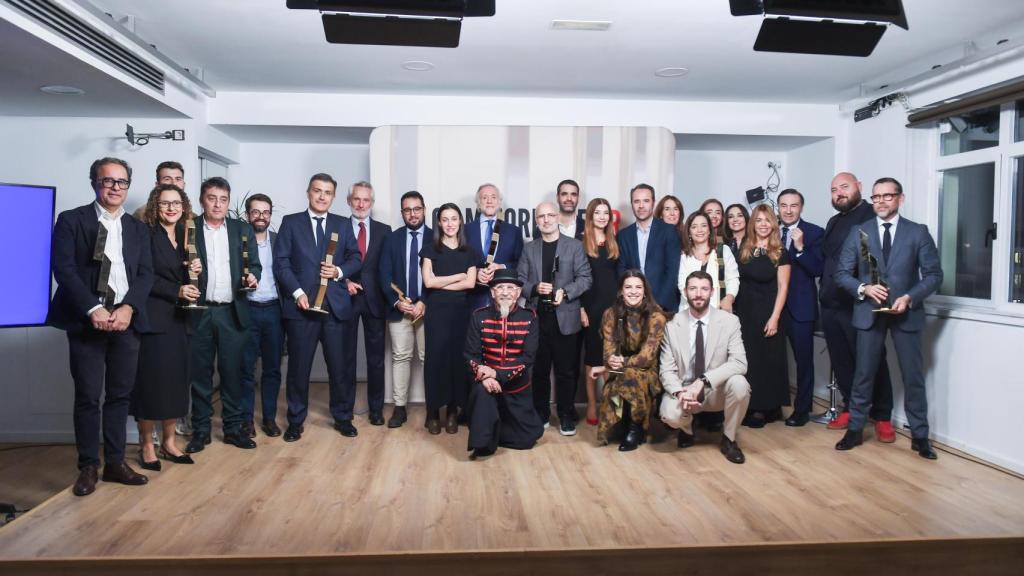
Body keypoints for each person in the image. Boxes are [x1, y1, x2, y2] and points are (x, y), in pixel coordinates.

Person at [49, 157, 154, 496]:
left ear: (128, 186)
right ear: (94, 182)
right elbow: (63, 269)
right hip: (86, 321)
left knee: (120, 396)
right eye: (107, 181)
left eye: (121, 182)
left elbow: (145, 274)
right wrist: (93, 307)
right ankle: (88, 467)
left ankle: (115, 463)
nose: (114, 187)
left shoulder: (138, 229)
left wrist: (128, 308)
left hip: (126, 322)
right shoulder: (71, 221)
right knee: (88, 397)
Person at [835, 177, 943, 459]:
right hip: (868, 311)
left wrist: (909, 297)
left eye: (887, 196)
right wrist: (864, 288)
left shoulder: (918, 232)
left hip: (905, 312)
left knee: (913, 377)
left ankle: (920, 437)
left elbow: (934, 275)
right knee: (863, 374)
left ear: (900, 199)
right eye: (876, 197)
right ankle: (855, 430)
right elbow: (841, 274)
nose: (881, 202)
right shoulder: (860, 231)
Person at [273, 173, 362, 442]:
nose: (322, 196)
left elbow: (356, 257)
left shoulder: (342, 224)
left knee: (340, 368)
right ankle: (295, 421)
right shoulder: (291, 223)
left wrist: (338, 271)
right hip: (302, 309)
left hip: (335, 307)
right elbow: (281, 263)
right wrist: (297, 292)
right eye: (317, 191)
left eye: (327, 192)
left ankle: (343, 417)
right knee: (299, 368)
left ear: (333, 197)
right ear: (308, 193)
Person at [185, 177, 262, 453]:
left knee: (232, 375)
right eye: (212, 198)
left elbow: (254, 265)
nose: (217, 204)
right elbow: (177, 267)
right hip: (200, 313)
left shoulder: (242, 229)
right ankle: (201, 432)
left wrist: (253, 276)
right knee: (200, 375)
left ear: (229, 202)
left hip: (233, 312)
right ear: (202, 199)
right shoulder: (189, 227)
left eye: (223, 199)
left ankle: (232, 430)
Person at [821, 172, 895, 440]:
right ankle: (851, 408)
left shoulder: (870, 217)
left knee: (872, 360)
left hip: (858, 303)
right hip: (831, 304)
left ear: (859, 188)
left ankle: (883, 415)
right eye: (834, 190)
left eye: (844, 187)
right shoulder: (833, 221)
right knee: (842, 361)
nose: (839, 193)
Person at [132, 184, 201, 470]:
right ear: (154, 207)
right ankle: (147, 445)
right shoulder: (145, 235)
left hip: (180, 321)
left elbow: (189, 278)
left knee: (175, 383)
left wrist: (195, 271)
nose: (171, 208)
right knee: (150, 385)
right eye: (164, 204)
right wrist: (177, 290)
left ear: (184, 206)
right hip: (154, 319)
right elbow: (142, 277)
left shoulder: (188, 235)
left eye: (176, 203)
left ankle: (170, 443)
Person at [518, 201, 593, 436]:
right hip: (538, 318)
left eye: (551, 215)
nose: (547, 220)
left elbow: (585, 278)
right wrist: (533, 288)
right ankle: (541, 413)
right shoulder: (530, 248)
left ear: (558, 217)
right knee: (539, 371)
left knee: (566, 371)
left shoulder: (574, 247)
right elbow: (519, 279)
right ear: (536, 220)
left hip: (566, 317)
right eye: (542, 216)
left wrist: (566, 292)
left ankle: (566, 415)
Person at [660, 271, 750, 464]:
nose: (698, 294)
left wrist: (703, 381)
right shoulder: (672, 324)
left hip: (714, 390)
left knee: (740, 384)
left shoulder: (729, 321)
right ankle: (687, 429)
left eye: (704, 289)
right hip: (685, 391)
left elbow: (740, 363)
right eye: (693, 289)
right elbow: (666, 370)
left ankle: (729, 438)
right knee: (669, 414)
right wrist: (679, 393)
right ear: (685, 292)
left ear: (712, 292)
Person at [463, 269, 543, 460]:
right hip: (487, 385)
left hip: (517, 388)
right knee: (482, 394)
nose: (505, 292)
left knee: (527, 440)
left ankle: (496, 432)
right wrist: (485, 376)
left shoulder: (530, 317)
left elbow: (528, 357)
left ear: (518, 292)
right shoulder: (478, 316)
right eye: (500, 288)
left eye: (510, 288)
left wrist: (495, 374)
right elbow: (470, 355)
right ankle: (483, 443)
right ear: (492, 293)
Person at [421, 203, 478, 434]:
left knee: (457, 361)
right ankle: (433, 412)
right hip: (436, 313)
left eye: (454, 219)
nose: (450, 224)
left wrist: (441, 281)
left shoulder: (470, 252)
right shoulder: (429, 250)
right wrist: (457, 276)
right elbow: (428, 283)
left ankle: (453, 411)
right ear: (439, 223)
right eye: (445, 219)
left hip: (461, 313)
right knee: (435, 360)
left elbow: (471, 283)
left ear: (460, 222)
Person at [379, 191, 432, 428]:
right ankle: (399, 408)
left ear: (424, 209)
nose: (412, 214)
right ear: (402, 213)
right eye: (407, 210)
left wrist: (425, 301)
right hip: (399, 308)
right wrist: (396, 301)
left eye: (416, 209)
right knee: (401, 357)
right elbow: (383, 274)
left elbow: (441, 275)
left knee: (428, 359)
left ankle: (433, 409)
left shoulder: (437, 237)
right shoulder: (392, 239)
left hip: (427, 309)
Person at [597, 270, 667, 451]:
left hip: (648, 371)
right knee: (618, 379)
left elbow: (647, 357)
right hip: (622, 368)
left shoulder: (656, 316)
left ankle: (636, 428)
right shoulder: (611, 314)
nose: (633, 291)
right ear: (621, 291)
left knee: (629, 376)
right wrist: (611, 360)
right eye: (628, 287)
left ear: (645, 291)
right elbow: (608, 349)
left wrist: (622, 362)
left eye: (638, 287)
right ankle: (622, 419)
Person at [736, 204, 791, 427]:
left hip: (768, 310)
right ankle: (748, 404)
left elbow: (783, 286)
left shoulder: (779, 251)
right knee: (748, 359)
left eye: (767, 220)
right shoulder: (745, 247)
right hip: (744, 311)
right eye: (758, 220)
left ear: (773, 224)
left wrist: (775, 317)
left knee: (767, 359)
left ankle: (764, 407)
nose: (763, 224)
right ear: (753, 224)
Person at [342, 181, 392, 426]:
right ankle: (345, 409)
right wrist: (344, 282)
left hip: (375, 300)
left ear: (372, 203)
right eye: (357, 199)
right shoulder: (337, 227)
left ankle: (375, 409)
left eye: (366, 200)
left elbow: (388, 266)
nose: (361, 204)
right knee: (346, 357)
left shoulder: (385, 230)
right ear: (349, 200)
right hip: (346, 297)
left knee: (376, 359)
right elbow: (329, 261)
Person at [777, 189, 824, 427]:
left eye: (793, 205)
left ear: (801, 208)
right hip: (773, 308)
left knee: (804, 362)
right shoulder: (767, 230)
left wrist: (800, 247)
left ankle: (802, 410)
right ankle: (771, 406)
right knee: (772, 360)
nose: (788, 210)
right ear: (778, 207)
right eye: (783, 205)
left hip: (800, 308)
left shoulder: (815, 232)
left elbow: (818, 269)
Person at [240, 193, 285, 437]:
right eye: (256, 212)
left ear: (270, 214)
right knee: (246, 368)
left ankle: (269, 418)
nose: (261, 216)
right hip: (247, 310)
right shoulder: (238, 240)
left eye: (265, 212)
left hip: (275, 311)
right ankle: (246, 420)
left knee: (272, 369)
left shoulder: (280, 241)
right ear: (248, 215)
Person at [580, 198, 619, 426]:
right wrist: (581, 308)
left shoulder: (615, 244)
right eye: (598, 213)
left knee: (612, 357)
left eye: (606, 213)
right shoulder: (581, 243)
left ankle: (613, 405)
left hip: (613, 310)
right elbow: (575, 278)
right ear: (591, 216)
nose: (602, 217)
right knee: (593, 358)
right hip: (591, 308)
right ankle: (592, 404)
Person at [617, 183, 681, 312]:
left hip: (663, 307)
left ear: (653, 203)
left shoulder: (668, 231)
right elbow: (621, 269)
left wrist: (658, 304)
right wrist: (631, 299)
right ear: (632, 204)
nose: (641, 206)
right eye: (636, 201)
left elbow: (672, 272)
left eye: (646, 201)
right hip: (632, 306)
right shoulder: (623, 235)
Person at [465, 183, 524, 310]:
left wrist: (502, 267)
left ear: (499, 202)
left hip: (505, 299)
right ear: (478, 202)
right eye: (484, 197)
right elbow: (458, 262)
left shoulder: (514, 231)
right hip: (473, 299)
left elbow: (521, 263)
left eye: (493, 197)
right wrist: (474, 272)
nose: (489, 201)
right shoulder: (465, 230)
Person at [678, 211, 739, 312]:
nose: (699, 230)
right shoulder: (684, 256)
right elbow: (682, 285)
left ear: (709, 230)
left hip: (720, 309)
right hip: (690, 311)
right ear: (689, 232)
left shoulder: (723, 251)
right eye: (694, 227)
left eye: (704, 225)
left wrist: (729, 299)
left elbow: (733, 278)